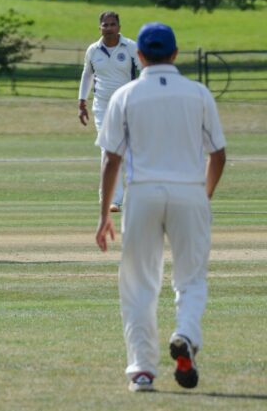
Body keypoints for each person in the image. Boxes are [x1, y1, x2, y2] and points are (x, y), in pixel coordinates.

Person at [95, 22, 227, 392]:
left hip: (142, 194)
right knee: (191, 279)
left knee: (139, 284)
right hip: (190, 192)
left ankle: (141, 371)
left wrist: (105, 213)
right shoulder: (198, 93)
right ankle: (185, 334)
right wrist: (204, 195)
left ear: (139, 57)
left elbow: (110, 159)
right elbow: (218, 154)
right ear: (175, 54)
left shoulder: (126, 95)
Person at [78, 11, 141, 212]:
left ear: (119, 27)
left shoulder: (131, 47)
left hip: (128, 104)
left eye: (113, 24)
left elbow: (145, 70)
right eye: (105, 25)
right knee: (108, 150)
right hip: (103, 106)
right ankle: (112, 200)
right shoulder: (93, 50)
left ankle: (140, 197)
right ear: (100, 28)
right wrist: (81, 101)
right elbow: (87, 74)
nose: (109, 28)